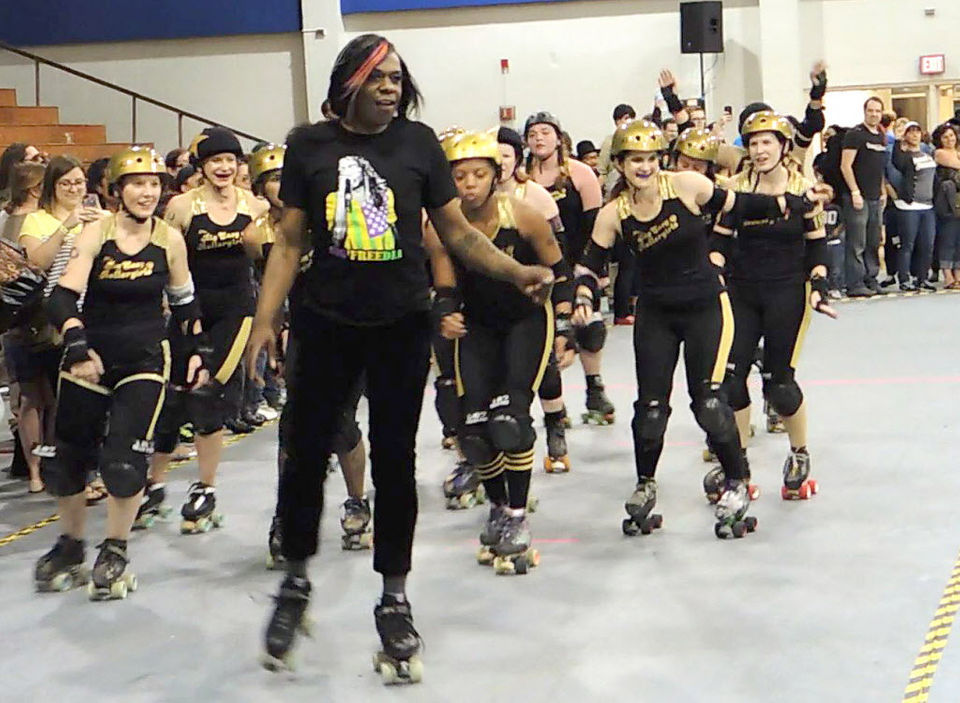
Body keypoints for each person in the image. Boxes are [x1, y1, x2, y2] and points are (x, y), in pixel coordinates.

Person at [247, 34, 552, 677]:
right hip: (324, 323)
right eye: (379, 77)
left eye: (397, 78)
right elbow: (287, 242)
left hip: (400, 326)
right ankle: (295, 583)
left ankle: (394, 598)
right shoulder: (309, 146)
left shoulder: (418, 145)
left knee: (395, 461)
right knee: (305, 457)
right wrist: (262, 324)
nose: (391, 87)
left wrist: (512, 272)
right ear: (350, 81)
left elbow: (460, 233)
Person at [575, 120, 768, 539]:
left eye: (649, 159)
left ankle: (736, 479)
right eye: (634, 160)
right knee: (650, 410)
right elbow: (589, 264)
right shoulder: (615, 214)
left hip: (706, 307)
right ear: (621, 164)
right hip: (657, 313)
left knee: (710, 404)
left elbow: (739, 205)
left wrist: (790, 205)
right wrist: (584, 298)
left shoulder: (685, 185)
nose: (643, 167)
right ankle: (645, 485)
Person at [34, 147, 199, 600]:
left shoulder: (169, 239)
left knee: (125, 462)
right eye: (137, 184)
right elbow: (62, 298)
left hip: (145, 357)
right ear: (116, 191)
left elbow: (184, 302)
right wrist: (77, 344)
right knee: (67, 463)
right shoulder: (95, 233)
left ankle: (116, 547)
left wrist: (198, 351)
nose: (147, 192)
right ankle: (70, 545)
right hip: (90, 356)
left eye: (153, 185)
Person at [429, 130, 573, 573]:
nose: (469, 184)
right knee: (473, 431)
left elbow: (558, 270)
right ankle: (497, 507)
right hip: (479, 326)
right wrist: (446, 312)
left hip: (526, 322)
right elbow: (445, 284)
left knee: (509, 419)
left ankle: (516, 514)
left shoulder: (524, 216)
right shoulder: (441, 225)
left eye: (478, 174)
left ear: (496, 176)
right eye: (459, 176)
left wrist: (565, 323)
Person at [146, 127, 269, 533]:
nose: (223, 167)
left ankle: (206, 487)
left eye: (230, 160)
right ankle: (155, 484)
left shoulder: (254, 205)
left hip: (237, 310)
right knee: (173, 398)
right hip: (190, 309)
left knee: (207, 393)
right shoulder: (182, 207)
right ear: (201, 166)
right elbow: (165, 259)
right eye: (215, 160)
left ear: (238, 165)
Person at [712, 111, 836, 506]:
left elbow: (816, 245)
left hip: (787, 291)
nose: (760, 149)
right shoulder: (735, 189)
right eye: (753, 143)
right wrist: (711, 275)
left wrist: (819, 287)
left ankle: (799, 454)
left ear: (783, 147)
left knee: (778, 385)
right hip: (741, 292)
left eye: (768, 142)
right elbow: (719, 244)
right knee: (731, 384)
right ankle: (738, 464)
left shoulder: (804, 189)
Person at [20, 156, 107, 502]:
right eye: (66, 183)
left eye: (79, 182)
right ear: (52, 188)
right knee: (64, 402)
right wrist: (68, 224)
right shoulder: (36, 220)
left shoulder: (101, 218)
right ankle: (72, 474)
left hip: (97, 311)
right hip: (54, 318)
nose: (74, 189)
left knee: (98, 396)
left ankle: (97, 470)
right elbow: (36, 262)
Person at [525, 111, 613, 425]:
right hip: (536, 270)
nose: (539, 138)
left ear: (559, 138)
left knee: (589, 326)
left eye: (545, 132)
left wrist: (594, 270)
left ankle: (594, 388)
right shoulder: (522, 178)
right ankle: (554, 405)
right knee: (546, 336)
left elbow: (596, 225)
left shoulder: (579, 173)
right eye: (533, 133)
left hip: (577, 262)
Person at [496, 126, 573, 472]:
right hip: (491, 299)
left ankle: (555, 427)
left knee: (546, 371)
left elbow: (559, 252)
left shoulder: (535, 196)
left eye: (505, 156)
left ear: (516, 158)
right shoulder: (471, 200)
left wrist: (564, 305)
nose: (499, 164)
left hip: (534, 296)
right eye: (492, 157)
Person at [840, 97, 886, 296]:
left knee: (873, 241)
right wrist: (854, 192)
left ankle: (871, 278)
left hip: (876, 197)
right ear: (864, 111)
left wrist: (883, 190)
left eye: (877, 111)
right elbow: (845, 165)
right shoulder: (855, 135)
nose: (874, 114)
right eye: (870, 110)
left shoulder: (881, 137)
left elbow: (879, 168)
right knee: (857, 242)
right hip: (857, 197)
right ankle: (855, 283)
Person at [889, 121, 937, 292]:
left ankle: (922, 278)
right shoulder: (904, 155)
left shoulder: (928, 153)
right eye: (911, 132)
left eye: (917, 131)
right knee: (907, 244)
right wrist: (897, 140)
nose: (915, 135)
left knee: (927, 244)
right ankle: (904, 279)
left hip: (928, 206)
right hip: (909, 207)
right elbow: (897, 162)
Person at [933, 124, 960, 288]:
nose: (950, 139)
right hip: (947, 202)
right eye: (945, 137)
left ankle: (958, 273)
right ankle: (947, 275)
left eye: (952, 135)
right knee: (948, 238)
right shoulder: (940, 153)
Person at [597, 104, 636, 193]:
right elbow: (602, 171)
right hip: (614, 185)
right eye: (626, 118)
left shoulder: (635, 140)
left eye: (632, 118)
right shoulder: (609, 141)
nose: (630, 121)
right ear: (617, 121)